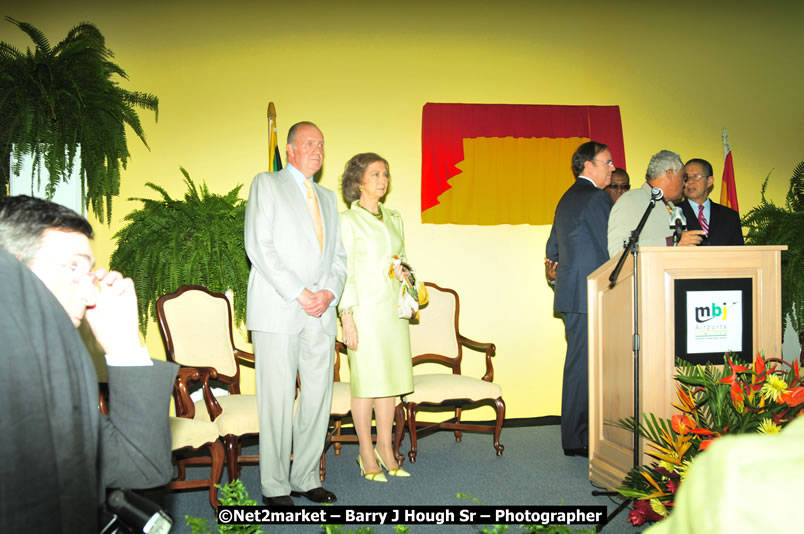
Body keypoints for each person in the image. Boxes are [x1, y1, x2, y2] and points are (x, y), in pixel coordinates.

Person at [0, 195, 177, 532]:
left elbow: (140, 466)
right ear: (12, 267)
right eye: (72, 268)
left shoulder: (57, 368)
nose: (91, 294)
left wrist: (123, 343)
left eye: (89, 271)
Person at [244, 121, 347, 506]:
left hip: (321, 312)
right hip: (279, 306)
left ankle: (305, 476)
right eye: (308, 143)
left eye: (321, 143)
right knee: (277, 396)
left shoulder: (329, 198)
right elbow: (260, 246)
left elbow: (338, 257)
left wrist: (329, 292)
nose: (317, 149)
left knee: (318, 396)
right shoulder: (266, 185)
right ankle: (274, 486)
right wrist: (301, 292)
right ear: (289, 150)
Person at [338, 153, 414, 482]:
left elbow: (405, 260)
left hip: (392, 312)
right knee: (366, 381)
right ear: (358, 182)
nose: (382, 179)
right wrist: (347, 316)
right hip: (364, 311)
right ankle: (365, 451)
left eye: (385, 173)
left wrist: (408, 281)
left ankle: (386, 447)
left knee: (390, 383)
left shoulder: (395, 218)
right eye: (375, 174)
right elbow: (344, 272)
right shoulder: (347, 221)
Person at [545, 141, 613, 457]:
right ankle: (577, 439)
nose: (612, 167)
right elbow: (611, 250)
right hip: (589, 296)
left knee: (579, 365)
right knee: (583, 367)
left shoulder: (566, 198)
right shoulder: (597, 197)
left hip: (574, 295)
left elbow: (551, 252)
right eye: (607, 162)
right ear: (589, 165)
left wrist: (557, 272)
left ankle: (578, 435)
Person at [607, 150, 706, 257]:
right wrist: (670, 242)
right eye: (683, 177)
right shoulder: (631, 200)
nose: (685, 183)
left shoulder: (674, 209)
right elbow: (618, 250)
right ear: (669, 174)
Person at [680, 158, 745, 246]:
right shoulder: (672, 213)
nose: (690, 181)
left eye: (697, 176)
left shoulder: (730, 216)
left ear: (709, 181)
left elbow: (739, 252)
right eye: (686, 177)